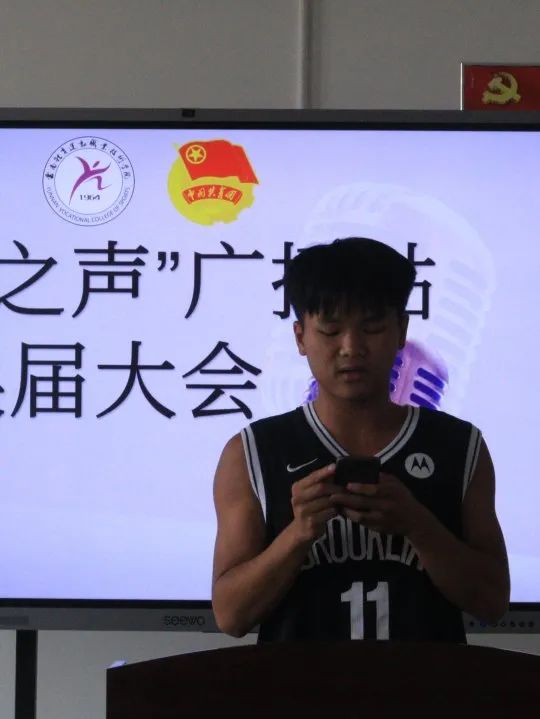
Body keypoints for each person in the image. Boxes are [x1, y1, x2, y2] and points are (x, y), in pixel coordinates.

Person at [211, 237, 510, 642]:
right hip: (298, 684)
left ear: (402, 330)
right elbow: (231, 616)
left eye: (372, 328)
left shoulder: (460, 447)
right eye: (330, 330)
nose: (351, 348)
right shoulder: (251, 453)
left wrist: (418, 525)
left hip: (426, 683)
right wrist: (298, 533)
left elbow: (492, 602)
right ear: (300, 337)